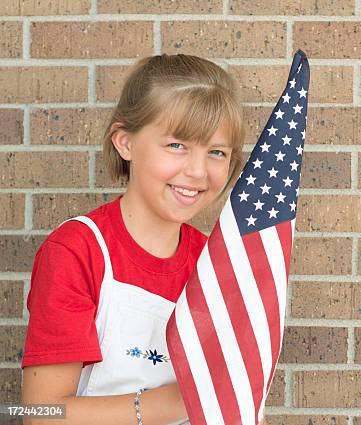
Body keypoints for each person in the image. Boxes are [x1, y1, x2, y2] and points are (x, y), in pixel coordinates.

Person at [21, 54, 265, 425]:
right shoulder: (77, 251)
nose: (197, 171)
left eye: (216, 152)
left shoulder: (217, 265)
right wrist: (179, 401)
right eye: (177, 145)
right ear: (125, 143)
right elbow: (41, 414)